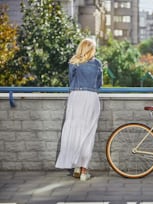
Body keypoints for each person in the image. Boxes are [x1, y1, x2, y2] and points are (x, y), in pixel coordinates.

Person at [55, 38, 103, 181]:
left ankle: (75, 165)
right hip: (91, 98)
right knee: (88, 133)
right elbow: (99, 84)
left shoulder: (74, 62)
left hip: (75, 97)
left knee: (73, 130)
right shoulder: (97, 64)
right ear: (91, 49)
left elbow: (71, 81)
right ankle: (83, 170)